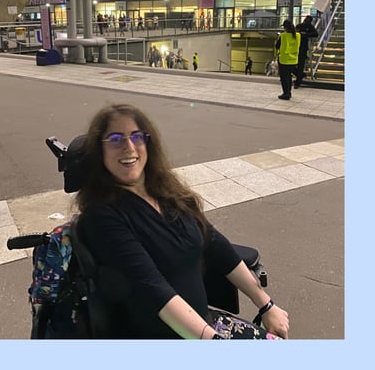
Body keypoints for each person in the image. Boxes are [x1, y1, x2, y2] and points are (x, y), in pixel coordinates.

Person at [75, 104, 290, 339]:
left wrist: (266, 305)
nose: (129, 147)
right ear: (100, 149)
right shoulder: (102, 216)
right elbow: (151, 287)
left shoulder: (166, 193)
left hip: (203, 325)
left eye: (137, 137)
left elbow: (214, 242)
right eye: (115, 138)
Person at [275, 19, 301, 100]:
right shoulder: (298, 35)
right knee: (289, 77)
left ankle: (286, 93)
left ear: (285, 27)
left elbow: (277, 46)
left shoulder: (283, 36)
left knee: (284, 77)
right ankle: (288, 92)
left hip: (284, 59)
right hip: (294, 59)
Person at [294, 14, 319, 87]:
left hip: (303, 48)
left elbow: (316, 34)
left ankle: (298, 81)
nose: (306, 21)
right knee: (293, 65)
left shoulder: (310, 27)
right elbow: (296, 33)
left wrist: (306, 34)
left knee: (300, 66)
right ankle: (301, 75)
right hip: (296, 47)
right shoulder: (299, 26)